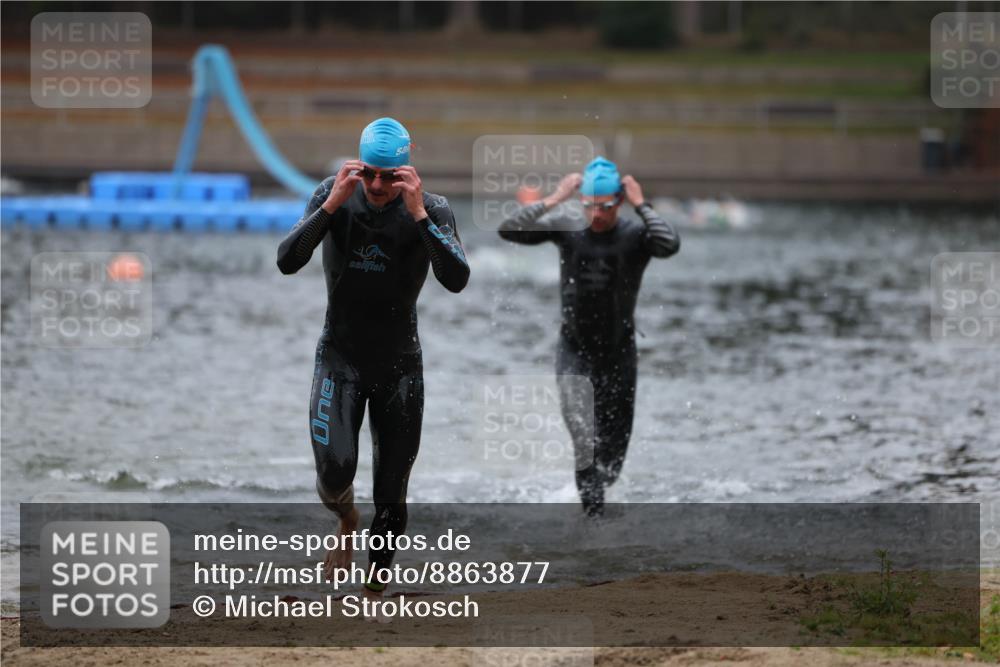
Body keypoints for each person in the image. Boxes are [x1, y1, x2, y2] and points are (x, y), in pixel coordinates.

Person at [277, 117, 469, 606]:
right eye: (369, 175)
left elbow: (457, 278)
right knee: (336, 471)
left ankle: (374, 589)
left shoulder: (434, 209)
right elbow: (287, 260)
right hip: (339, 357)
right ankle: (345, 519)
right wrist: (333, 204)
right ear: (358, 167)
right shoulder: (332, 192)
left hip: (400, 367)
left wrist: (420, 213)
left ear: (405, 169)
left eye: (389, 175)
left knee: (392, 492)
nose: (379, 186)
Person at [498, 157, 680, 516]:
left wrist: (642, 204)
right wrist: (554, 198)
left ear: (620, 201)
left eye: (605, 206)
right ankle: (592, 528)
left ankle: (598, 504)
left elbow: (670, 243)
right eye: (589, 206)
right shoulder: (569, 229)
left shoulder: (636, 235)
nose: (596, 215)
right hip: (574, 350)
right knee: (583, 439)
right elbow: (508, 230)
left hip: (619, 354)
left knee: (610, 459)